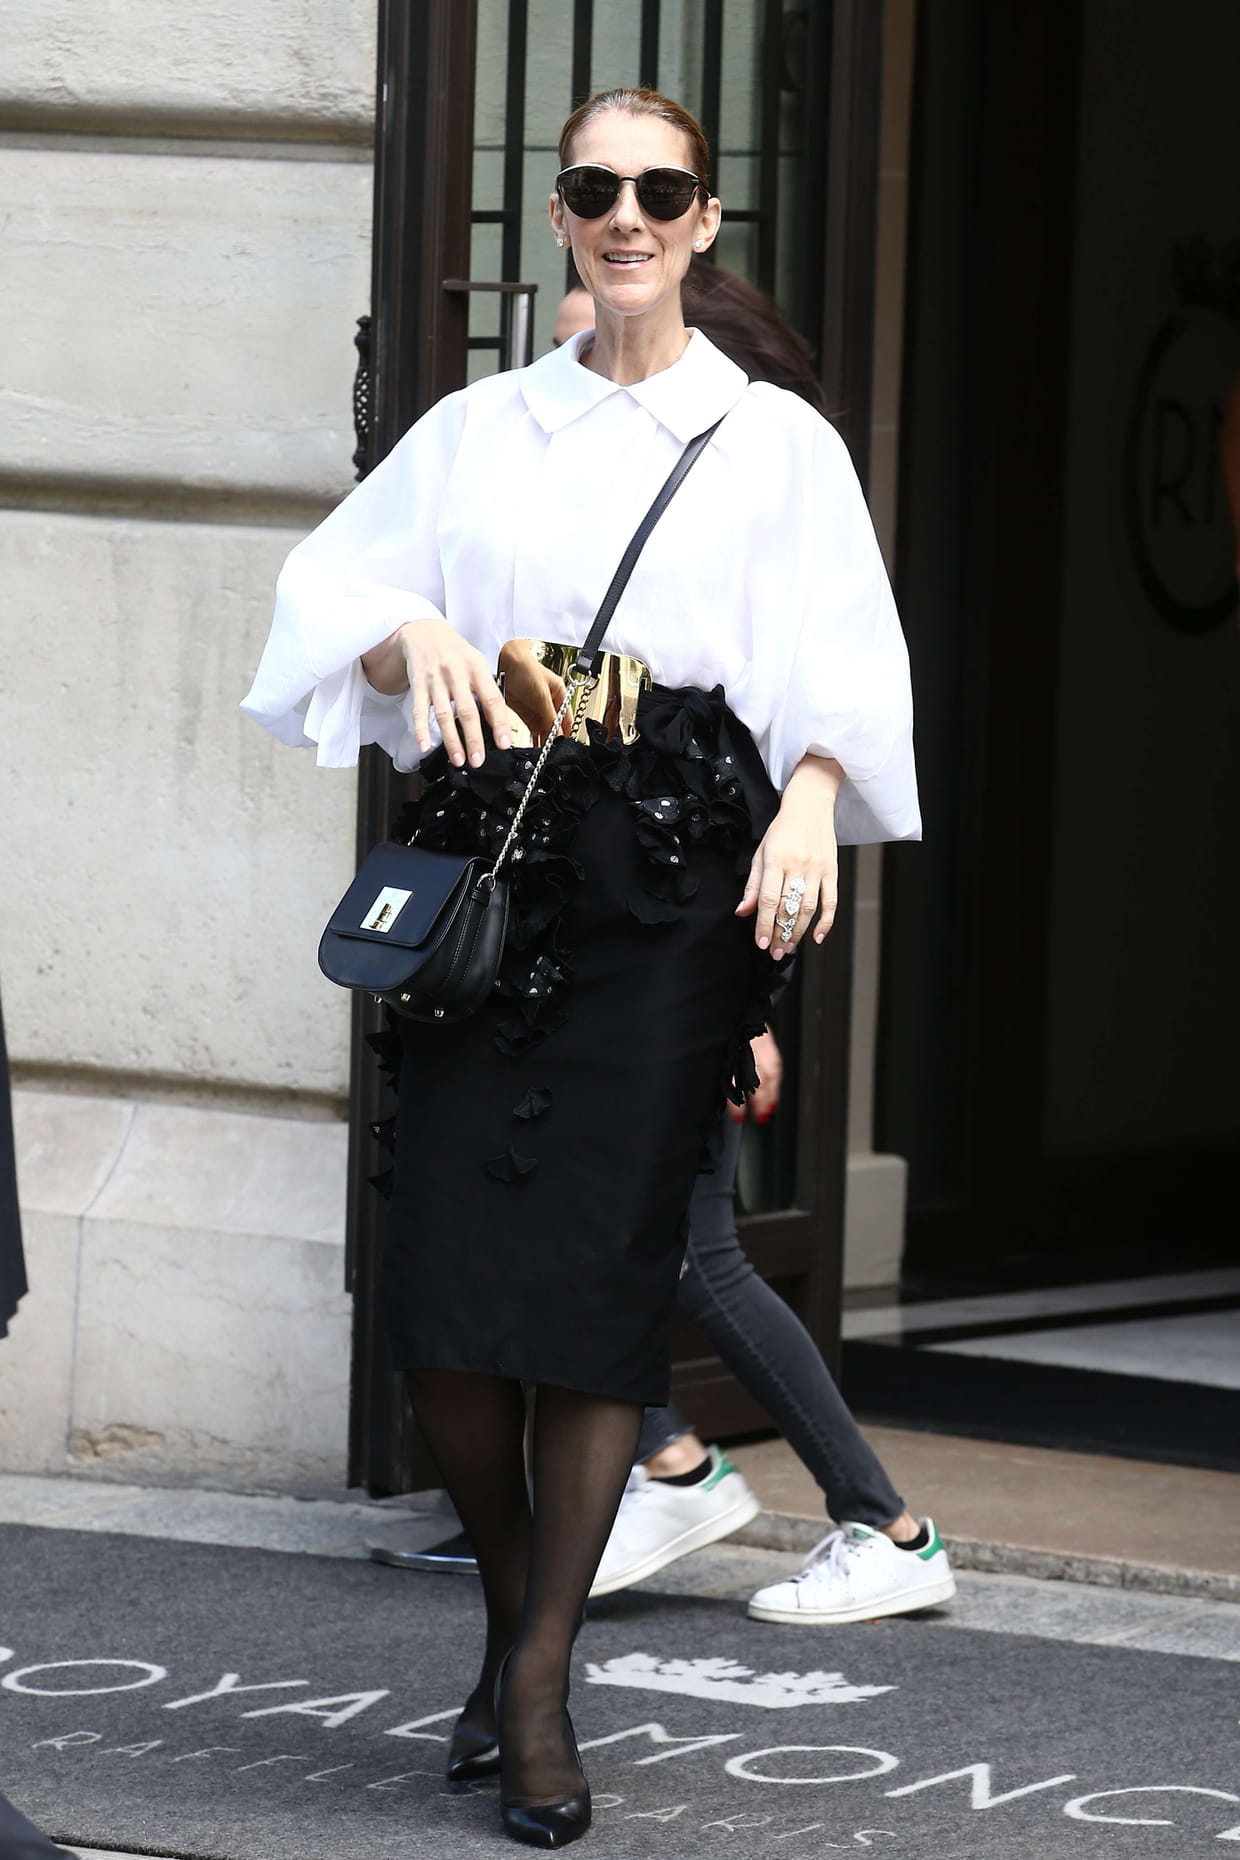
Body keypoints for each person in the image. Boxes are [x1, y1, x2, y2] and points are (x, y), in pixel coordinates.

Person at [243, 85, 918, 1849]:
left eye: (661, 189)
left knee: (607, 1287)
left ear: (704, 221)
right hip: (495, 872)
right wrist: (407, 628)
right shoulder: (480, 428)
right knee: (449, 1296)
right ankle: (506, 1622)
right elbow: (326, 599)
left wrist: (811, 803)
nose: (628, 215)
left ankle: (539, 1678)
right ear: (559, 214)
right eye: (596, 188)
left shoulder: (773, 443)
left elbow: (846, 660)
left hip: (676, 891)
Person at [555, 270, 954, 1625]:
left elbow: (781, 736)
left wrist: (747, 1007)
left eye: (594, 346)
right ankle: (670, 1461)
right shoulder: (561, 491)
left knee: (691, 1247)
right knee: (602, 1220)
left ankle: (882, 1525)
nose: (579, 376)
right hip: (616, 912)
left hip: (704, 910)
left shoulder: (761, 494)